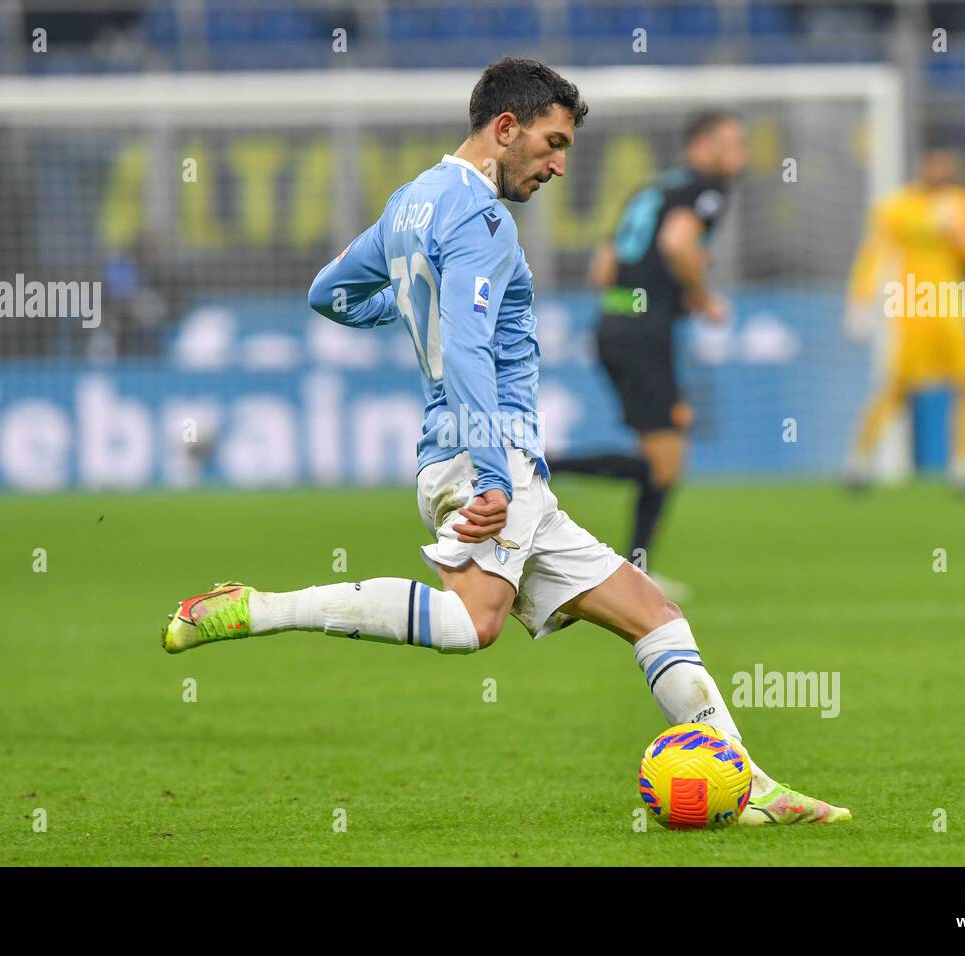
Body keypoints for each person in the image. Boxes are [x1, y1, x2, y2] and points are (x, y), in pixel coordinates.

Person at [159, 58, 847, 826]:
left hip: (487, 462)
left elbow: (331, 293)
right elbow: (468, 355)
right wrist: (492, 475)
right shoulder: (485, 219)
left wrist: (412, 311)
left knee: (654, 615)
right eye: (551, 144)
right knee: (471, 624)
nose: (558, 165)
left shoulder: (412, 200)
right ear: (505, 128)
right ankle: (256, 607)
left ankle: (748, 783)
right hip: (487, 457)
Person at [551, 112, 746, 581]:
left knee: (661, 459)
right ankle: (542, 465)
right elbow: (678, 244)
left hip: (612, 326)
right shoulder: (705, 190)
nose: (740, 153)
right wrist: (701, 297)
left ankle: (635, 564)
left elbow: (602, 268)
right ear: (700, 146)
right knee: (666, 460)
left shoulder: (652, 190)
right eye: (730, 143)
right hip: (644, 334)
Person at [844, 147, 965, 491]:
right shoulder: (896, 207)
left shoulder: (962, 204)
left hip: (952, 304)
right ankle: (859, 460)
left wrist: (959, 231)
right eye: (934, 163)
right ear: (922, 165)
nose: (940, 170)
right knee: (898, 386)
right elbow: (874, 255)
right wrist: (859, 303)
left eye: (946, 164)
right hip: (911, 305)